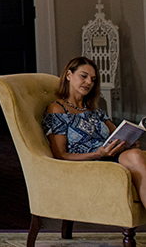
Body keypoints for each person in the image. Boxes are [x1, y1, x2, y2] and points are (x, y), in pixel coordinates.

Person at [43, 56, 146, 203]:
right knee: (136, 156)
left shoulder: (93, 109)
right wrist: (97, 153)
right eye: (83, 76)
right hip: (89, 161)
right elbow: (60, 155)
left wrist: (127, 142)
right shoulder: (57, 109)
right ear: (69, 75)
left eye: (93, 79)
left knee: (136, 153)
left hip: (109, 155)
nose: (89, 82)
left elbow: (116, 134)